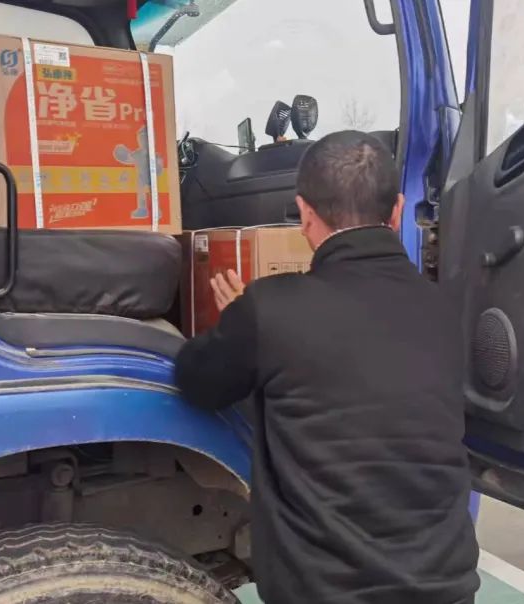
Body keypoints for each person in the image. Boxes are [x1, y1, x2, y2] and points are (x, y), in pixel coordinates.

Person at [175, 130, 480, 604]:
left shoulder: (270, 310)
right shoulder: (446, 308)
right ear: (398, 210)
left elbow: (197, 381)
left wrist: (240, 323)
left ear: (304, 213)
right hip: (447, 590)